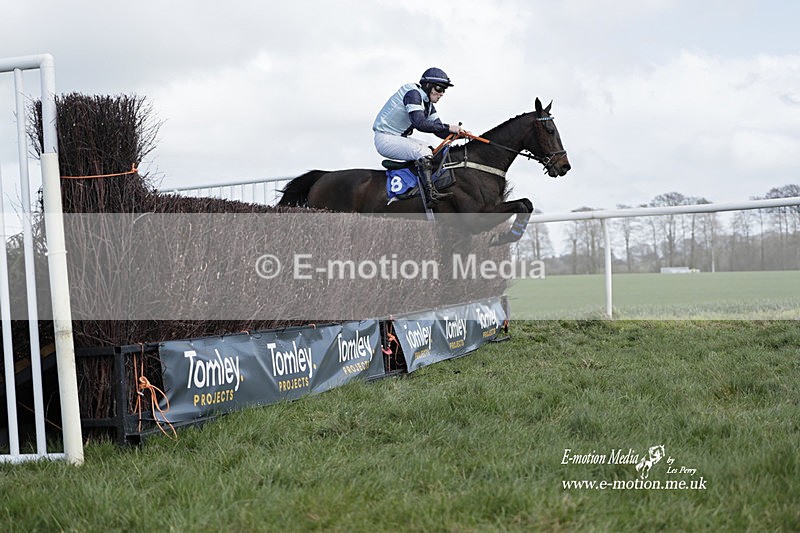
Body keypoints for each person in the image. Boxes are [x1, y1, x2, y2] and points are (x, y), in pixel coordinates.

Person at [373, 67, 468, 207]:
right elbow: (420, 123)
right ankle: (430, 195)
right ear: (428, 85)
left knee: (432, 150)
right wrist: (449, 128)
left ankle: (414, 186)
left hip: (398, 138)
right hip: (385, 139)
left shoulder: (428, 104)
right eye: (439, 89)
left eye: (444, 90)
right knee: (423, 152)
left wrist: (459, 134)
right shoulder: (413, 94)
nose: (442, 94)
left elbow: (438, 129)